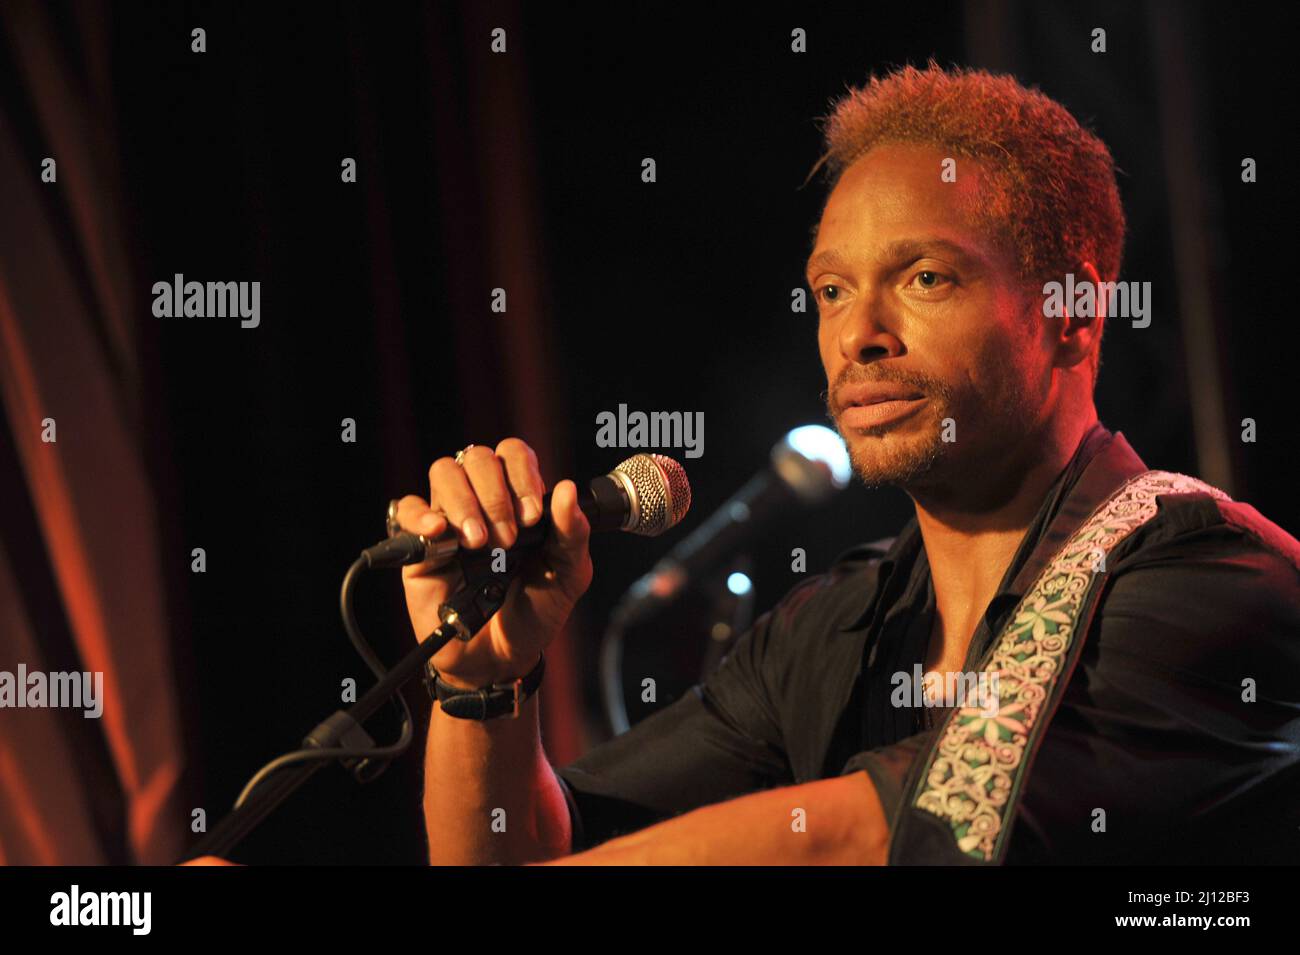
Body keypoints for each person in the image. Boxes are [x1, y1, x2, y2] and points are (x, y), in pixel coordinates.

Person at [392, 63, 1300, 865]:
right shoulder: (825, 631)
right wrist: (481, 683)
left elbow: (892, 834)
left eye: (925, 277)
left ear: (1072, 312)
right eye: (832, 289)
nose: (857, 335)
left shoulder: (1211, 578)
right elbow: (523, 849)